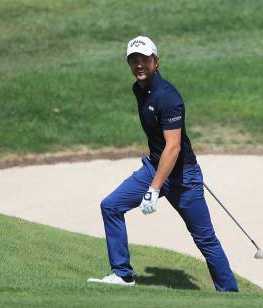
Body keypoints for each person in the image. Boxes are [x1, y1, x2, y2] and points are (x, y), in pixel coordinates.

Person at [89, 36, 239, 292]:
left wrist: (154, 188)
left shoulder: (168, 97)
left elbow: (174, 147)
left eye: (144, 59)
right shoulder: (139, 89)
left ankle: (229, 293)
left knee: (205, 239)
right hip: (155, 167)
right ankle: (123, 275)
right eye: (134, 60)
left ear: (156, 62)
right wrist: (154, 175)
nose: (139, 65)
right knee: (111, 206)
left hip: (183, 177)